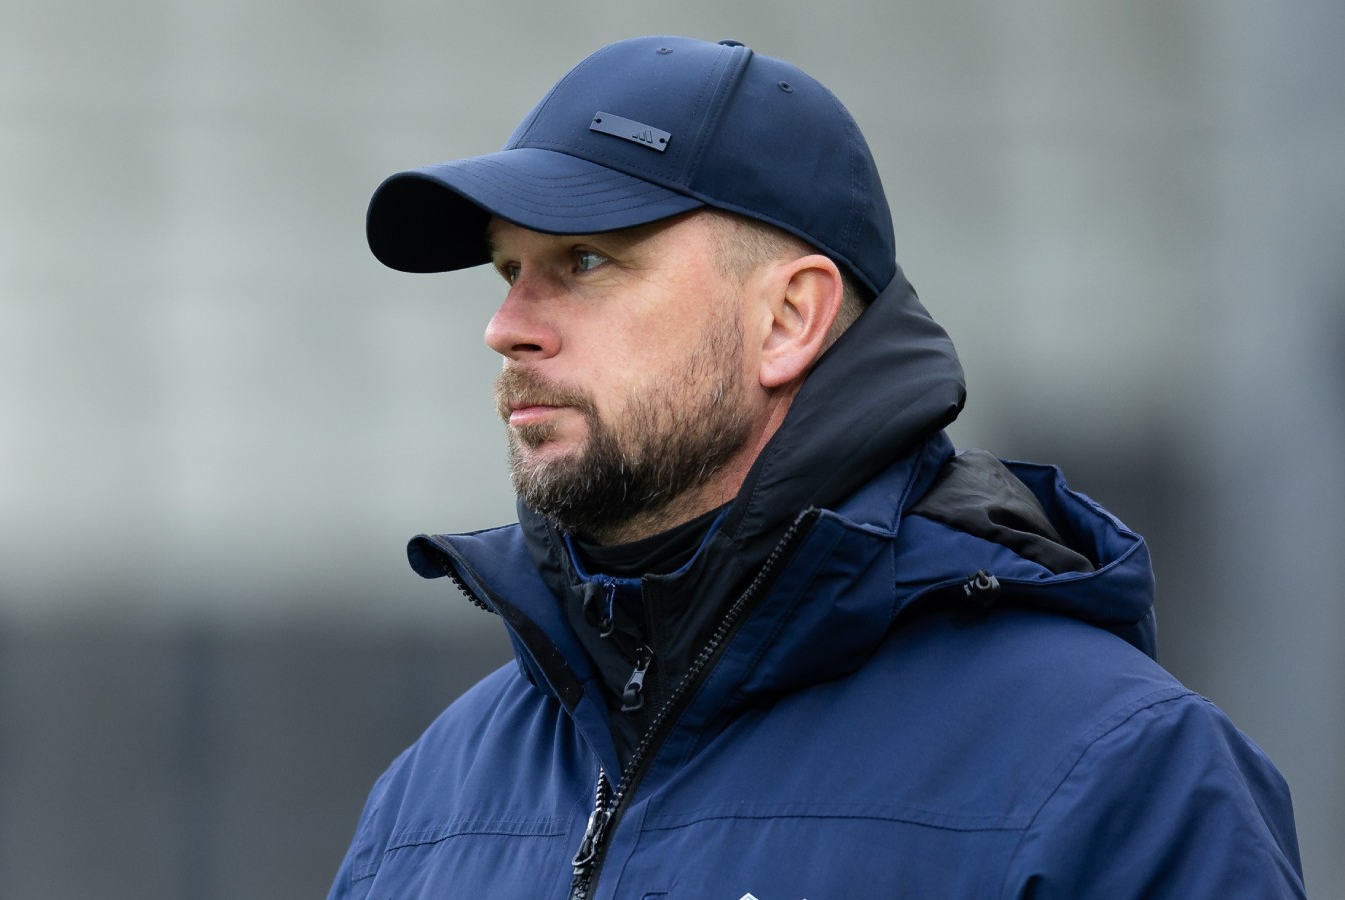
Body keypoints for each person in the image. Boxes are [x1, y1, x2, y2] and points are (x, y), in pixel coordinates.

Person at [331, 35, 1305, 899]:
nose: (506, 327)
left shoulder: (1114, 774)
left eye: (585, 261)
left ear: (789, 317)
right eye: (510, 270)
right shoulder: (428, 801)